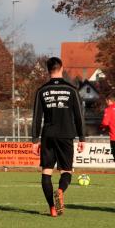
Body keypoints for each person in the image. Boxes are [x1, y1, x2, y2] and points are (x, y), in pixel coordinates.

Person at [32, 57, 85, 217]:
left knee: (46, 172)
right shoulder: (71, 90)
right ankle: (61, 191)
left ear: (48, 70)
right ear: (61, 68)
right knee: (66, 171)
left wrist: (35, 140)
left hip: (48, 135)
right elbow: (78, 116)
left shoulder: (41, 91)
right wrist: (82, 138)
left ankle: (52, 209)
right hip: (66, 135)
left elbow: (36, 117)